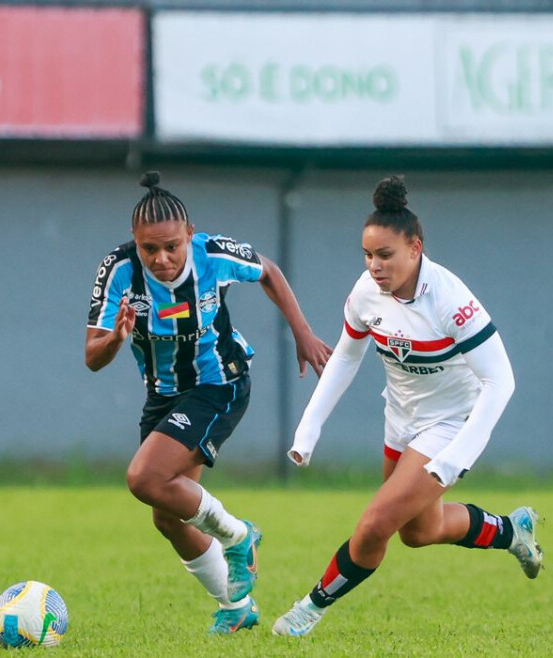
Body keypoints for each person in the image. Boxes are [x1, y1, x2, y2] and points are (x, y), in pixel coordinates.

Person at [272, 175, 542, 638]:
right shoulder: (364, 293)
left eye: (385, 255)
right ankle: (511, 531)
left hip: (450, 426)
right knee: (418, 531)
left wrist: (456, 458)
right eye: (367, 255)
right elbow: (346, 357)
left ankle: (308, 609)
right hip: (401, 421)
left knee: (376, 523)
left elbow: (501, 381)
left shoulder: (451, 301)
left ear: (415, 248)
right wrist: (308, 429)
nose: (374, 266)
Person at [86, 171, 332, 634]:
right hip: (163, 396)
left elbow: (269, 272)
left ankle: (239, 536)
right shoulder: (117, 270)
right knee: (167, 515)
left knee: (143, 477)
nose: (161, 258)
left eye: (172, 246)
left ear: (190, 236)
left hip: (219, 383)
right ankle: (236, 607)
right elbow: (92, 357)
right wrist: (116, 338)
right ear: (134, 243)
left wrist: (302, 332)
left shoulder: (212, 253)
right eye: (149, 248)